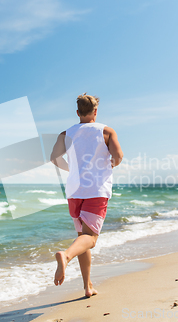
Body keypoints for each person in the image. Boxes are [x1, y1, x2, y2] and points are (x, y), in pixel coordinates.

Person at [50, 93, 123, 298]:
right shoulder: (106, 131)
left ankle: (87, 286)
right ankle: (65, 256)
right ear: (95, 112)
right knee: (90, 238)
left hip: (74, 191)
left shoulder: (65, 133)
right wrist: (112, 164)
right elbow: (118, 156)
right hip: (95, 190)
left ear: (77, 112)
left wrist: (72, 170)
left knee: (82, 237)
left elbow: (54, 158)